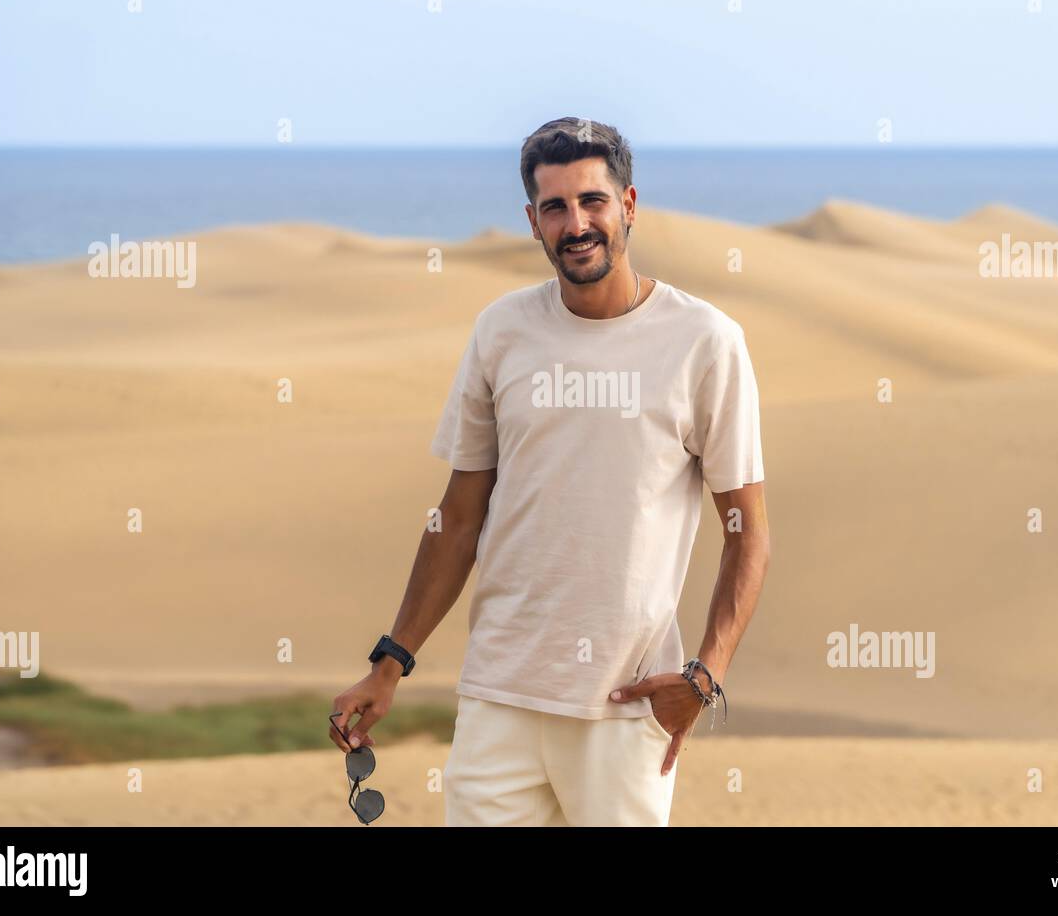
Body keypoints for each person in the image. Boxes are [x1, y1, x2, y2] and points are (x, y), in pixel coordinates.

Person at [330, 117, 770, 826]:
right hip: (497, 699)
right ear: (533, 221)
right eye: (556, 207)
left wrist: (704, 677)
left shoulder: (705, 342)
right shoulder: (501, 331)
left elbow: (747, 533)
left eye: (593, 201)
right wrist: (390, 663)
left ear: (628, 205)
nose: (577, 224)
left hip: (622, 709)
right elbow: (458, 518)